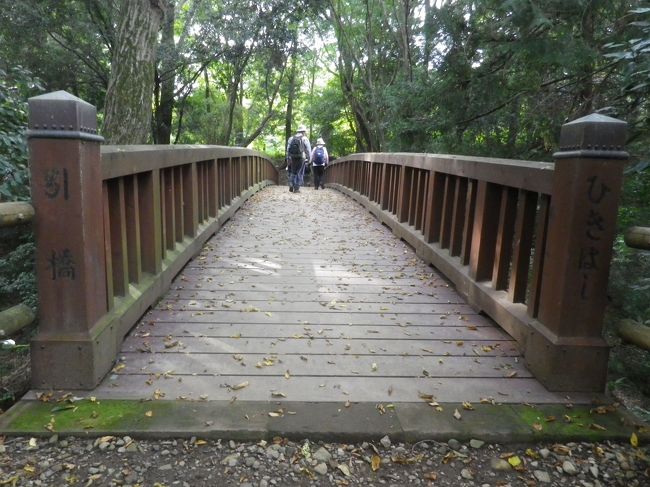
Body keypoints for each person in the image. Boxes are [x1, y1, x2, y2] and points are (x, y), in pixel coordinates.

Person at [286, 126, 311, 193]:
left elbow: (288, 149)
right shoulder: (305, 138)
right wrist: (309, 159)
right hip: (301, 157)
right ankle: (296, 188)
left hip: (292, 157)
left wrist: (288, 157)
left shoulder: (291, 138)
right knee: (299, 172)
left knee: (293, 171)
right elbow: (308, 150)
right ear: (303, 132)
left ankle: (291, 184)